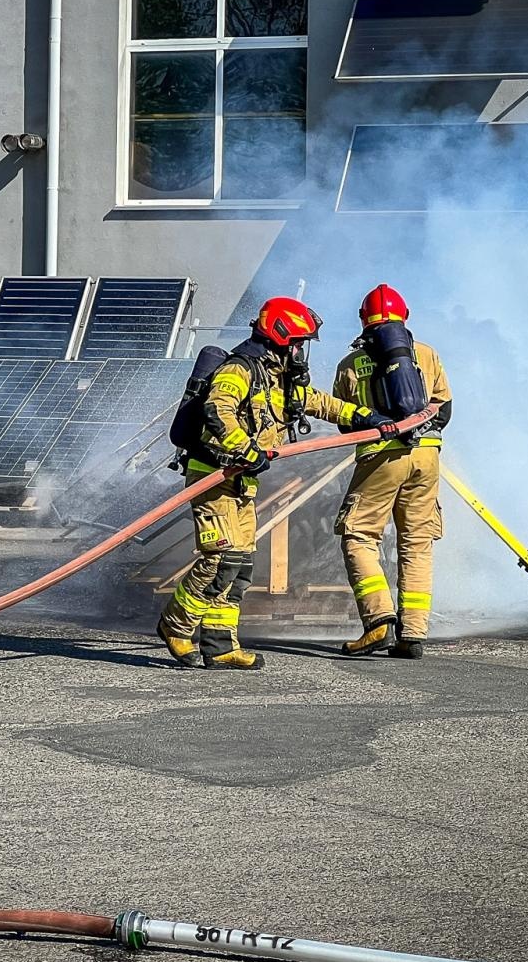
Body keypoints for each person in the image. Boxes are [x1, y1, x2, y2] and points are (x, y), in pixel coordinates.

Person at [157, 296, 395, 671]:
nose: (302, 352)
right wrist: (243, 447)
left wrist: (367, 417)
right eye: (299, 342)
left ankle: (219, 646)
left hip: (242, 482)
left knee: (239, 564)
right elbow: (217, 409)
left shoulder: (278, 375)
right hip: (213, 476)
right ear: (280, 335)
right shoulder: (240, 369)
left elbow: (318, 403)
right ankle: (175, 625)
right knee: (219, 558)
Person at [333, 284, 452, 660]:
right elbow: (444, 411)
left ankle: (378, 621)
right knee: (417, 543)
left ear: (364, 320)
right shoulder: (426, 354)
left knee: (360, 535)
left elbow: (345, 422)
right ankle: (413, 634)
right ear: (406, 317)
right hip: (427, 459)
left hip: (381, 459)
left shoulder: (351, 364)